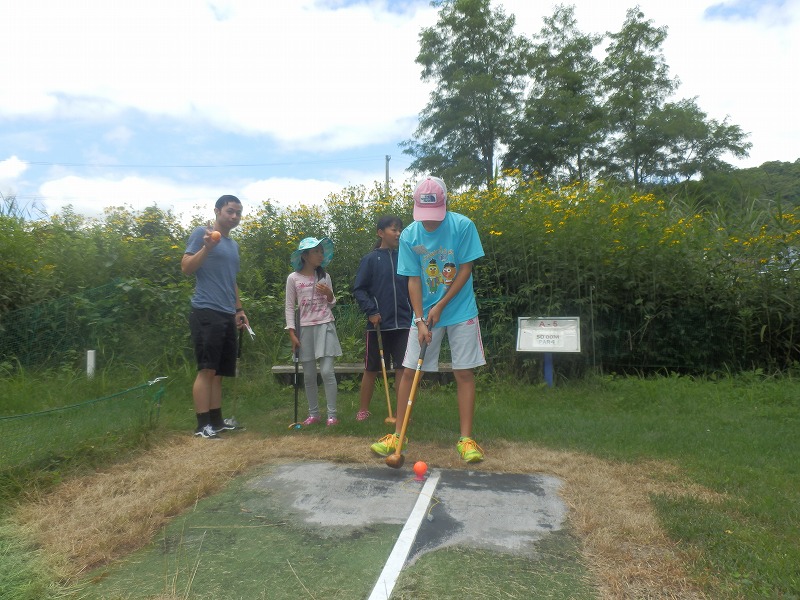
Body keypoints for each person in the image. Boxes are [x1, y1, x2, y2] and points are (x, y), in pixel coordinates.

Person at [370, 176, 487, 463]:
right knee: (409, 371)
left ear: (446, 205)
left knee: (463, 372)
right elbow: (413, 280)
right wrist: (421, 319)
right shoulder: (410, 235)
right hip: (425, 313)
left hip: (460, 310)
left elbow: (465, 269)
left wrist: (442, 305)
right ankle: (398, 434)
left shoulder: (463, 226)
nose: (430, 223)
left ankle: (466, 439)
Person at [181, 194, 249, 439]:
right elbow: (186, 267)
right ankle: (202, 425)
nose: (234, 217)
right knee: (207, 369)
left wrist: (239, 310)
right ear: (217, 211)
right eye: (230, 211)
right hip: (206, 310)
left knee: (220, 371)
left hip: (226, 312)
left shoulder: (233, 245)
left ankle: (217, 421)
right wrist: (207, 248)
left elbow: (231, 281)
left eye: (238, 213)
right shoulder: (203, 233)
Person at [352, 216, 412, 421]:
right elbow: (359, 289)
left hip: (403, 323)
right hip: (378, 324)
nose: (398, 234)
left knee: (402, 369)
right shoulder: (370, 259)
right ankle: (363, 409)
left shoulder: (404, 257)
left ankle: (400, 412)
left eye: (399, 230)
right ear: (380, 233)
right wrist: (371, 311)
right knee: (371, 368)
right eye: (393, 230)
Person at [285, 236, 342, 426]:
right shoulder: (293, 278)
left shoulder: (325, 277)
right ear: (305, 255)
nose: (320, 255)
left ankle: (332, 415)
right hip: (304, 329)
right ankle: (314, 413)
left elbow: (332, 303)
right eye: (316, 251)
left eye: (321, 251)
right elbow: (289, 307)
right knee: (309, 374)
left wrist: (329, 294)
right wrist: (292, 333)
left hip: (325, 325)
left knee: (327, 371)